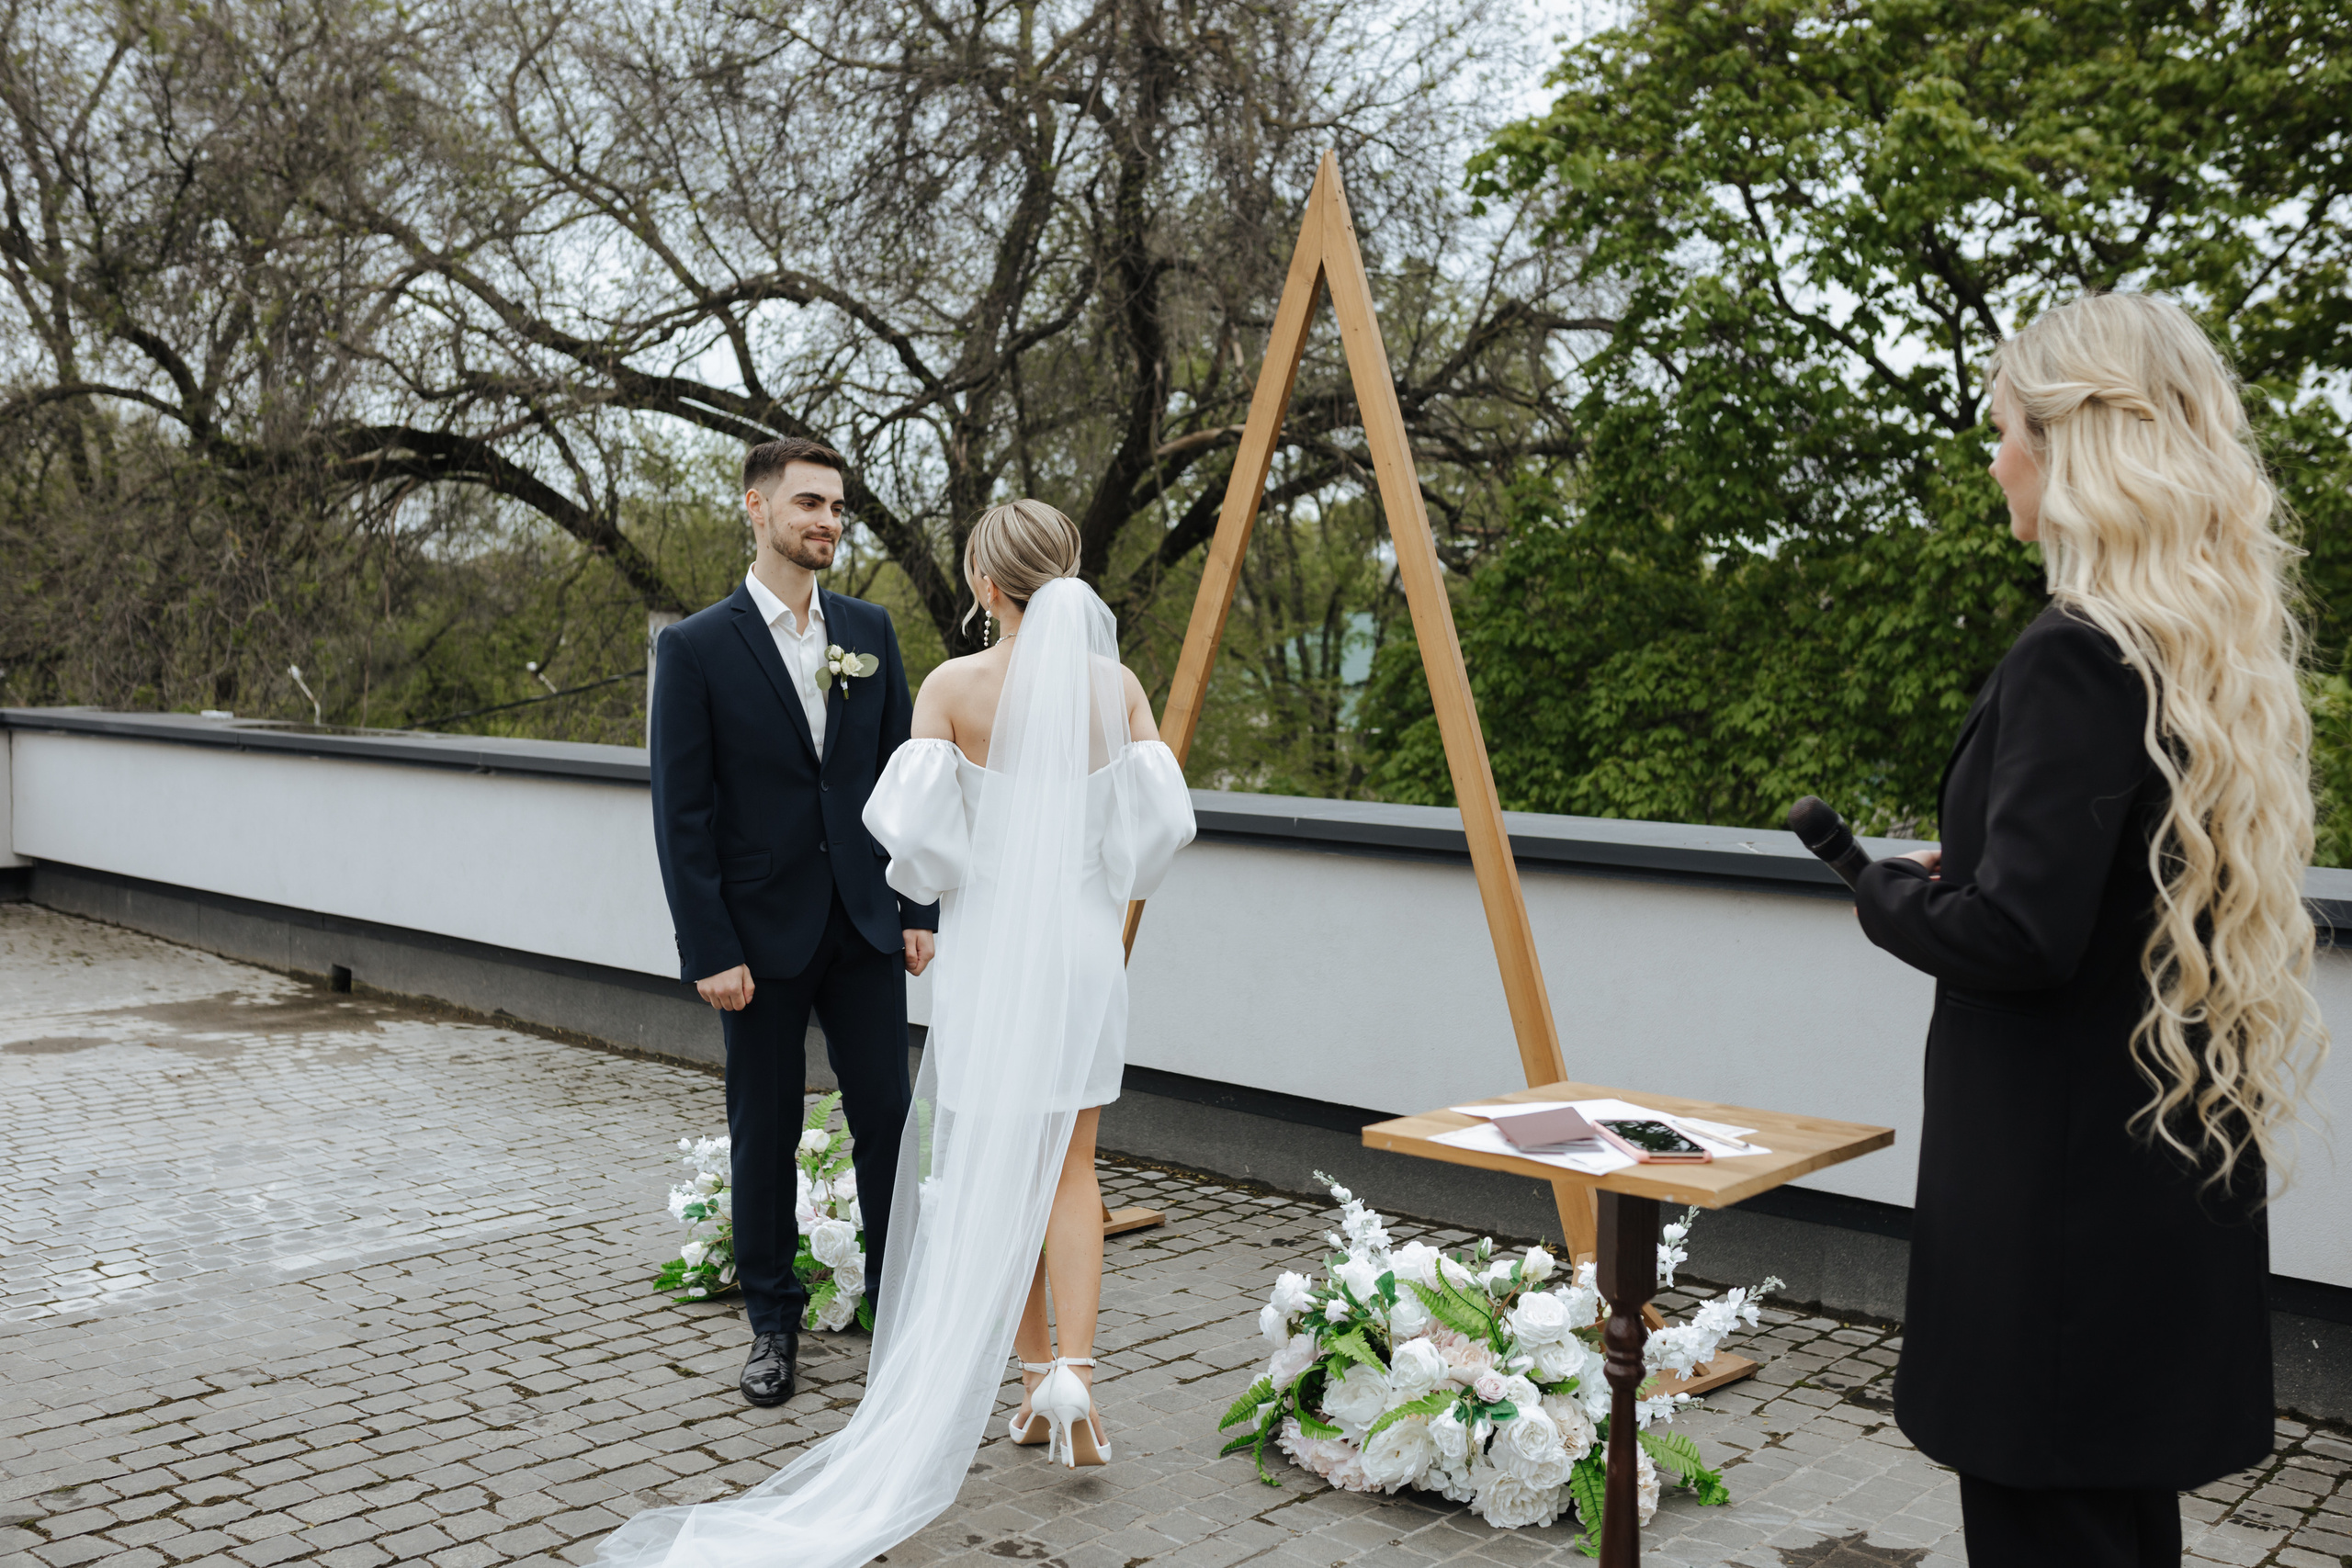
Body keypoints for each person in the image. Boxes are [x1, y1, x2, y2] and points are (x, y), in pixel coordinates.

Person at [602, 501, 1195, 1567]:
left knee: (990, 1167)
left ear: (983, 583)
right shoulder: (1119, 692)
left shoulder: (951, 688)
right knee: (1072, 1166)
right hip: (1078, 950)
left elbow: (914, 856)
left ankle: (1024, 1379)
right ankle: (1075, 1383)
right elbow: (1153, 843)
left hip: (992, 949)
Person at [1853, 293, 2326, 1568]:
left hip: (2048, 1220)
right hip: (2145, 1178)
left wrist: (1885, 891)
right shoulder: (2194, 658)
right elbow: (2103, 891)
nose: (1995, 458)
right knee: (2117, 1524)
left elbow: (2018, 936)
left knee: (2049, 1525)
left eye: (2006, 430)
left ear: (2074, 450)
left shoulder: (2075, 654)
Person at [647, 436, 939, 1409]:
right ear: (756, 508)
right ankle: (772, 1327)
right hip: (756, 938)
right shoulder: (693, 647)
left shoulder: (870, 629)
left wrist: (916, 903)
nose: (827, 522)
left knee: (889, 1125)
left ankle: (900, 1317)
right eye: (808, 503)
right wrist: (711, 947)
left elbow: (908, 780)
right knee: (762, 1132)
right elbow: (681, 814)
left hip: (862, 926)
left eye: (837, 509)